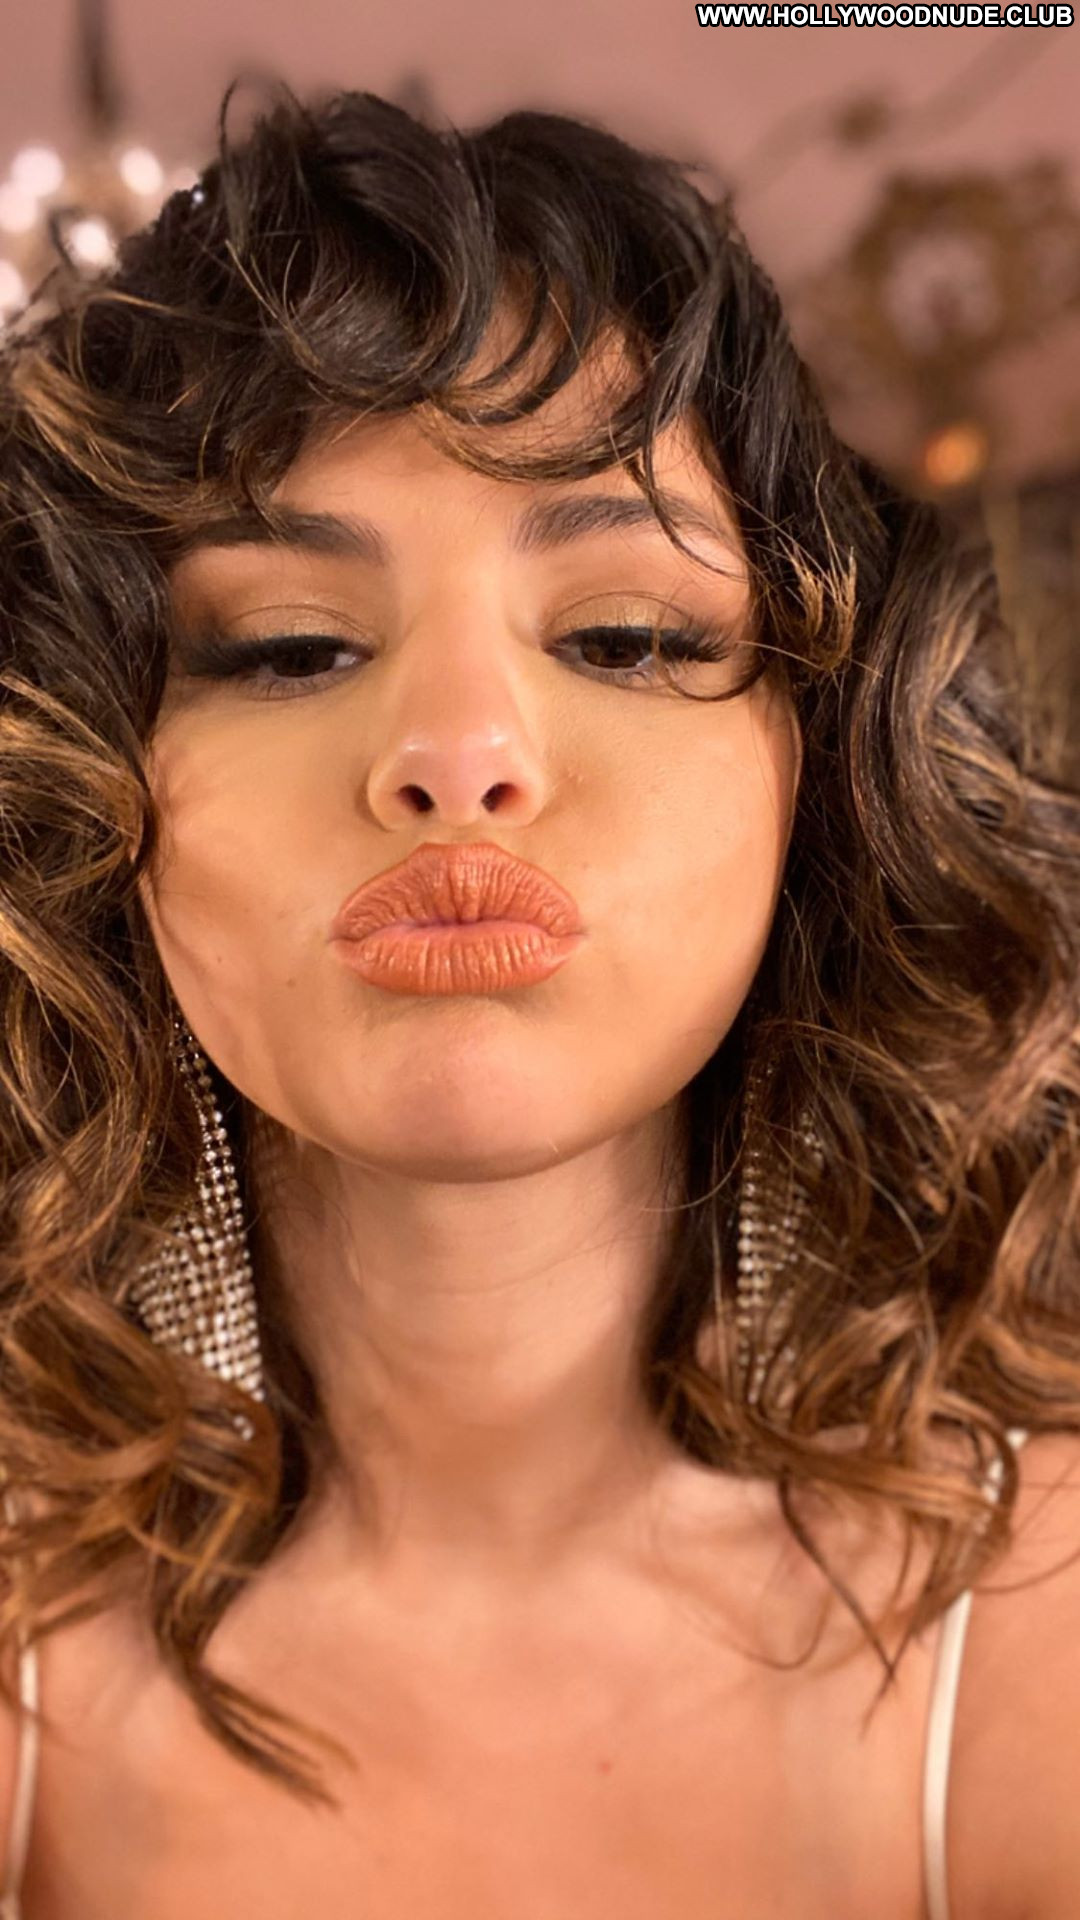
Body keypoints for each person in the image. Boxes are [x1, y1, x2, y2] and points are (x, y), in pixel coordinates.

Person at [0, 76, 1078, 1920]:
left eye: (624, 636)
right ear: (102, 799)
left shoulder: (1039, 1620)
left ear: (817, 771)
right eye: (290, 648)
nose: (460, 751)